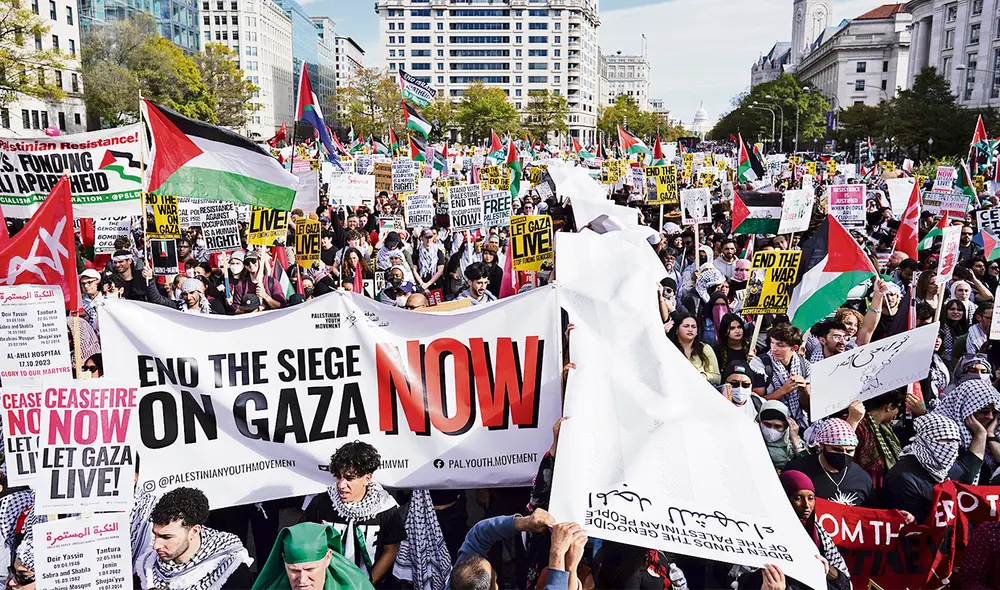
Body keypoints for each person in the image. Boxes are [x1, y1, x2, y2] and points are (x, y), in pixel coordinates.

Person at [299, 441, 406, 586]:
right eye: (338, 476)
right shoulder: (322, 503)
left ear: (367, 478)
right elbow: (302, 538)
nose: (341, 485)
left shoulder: (385, 507)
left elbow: (391, 549)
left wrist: (367, 584)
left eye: (349, 478)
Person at [135, 486, 253, 590]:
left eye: (166, 537)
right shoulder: (147, 568)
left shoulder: (231, 571)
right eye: (155, 535)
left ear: (194, 531)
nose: (156, 545)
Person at [448, 508, 586, 590]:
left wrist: (523, 523)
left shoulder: (459, 583)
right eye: (495, 579)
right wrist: (559, 556)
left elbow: (478, 535)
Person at [884, 413, 986, 522]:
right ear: (925, 440)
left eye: (954, 441)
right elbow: (914, 523)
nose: (950, 446)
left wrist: (982, 434)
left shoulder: (943, 468)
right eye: (944, 440)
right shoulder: (902, 477)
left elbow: (970, 465)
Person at [775, 471, 851, 589]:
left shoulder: (818, 531)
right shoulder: (769, 531)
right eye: (798, 498)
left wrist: (826, 570)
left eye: (811, 498)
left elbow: (847, 583)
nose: (806, 505)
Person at [251, 522, 374, 590]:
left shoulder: (357, 586)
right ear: (283, 559)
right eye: (294, 570)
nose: (302, 580)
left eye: (310, 569)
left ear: (327, 558)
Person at [785, 418, 875, 507]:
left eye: (850, 451)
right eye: (837, 449)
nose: (844, 455)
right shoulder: (798, 470)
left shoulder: (862, 478)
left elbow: (870, 514)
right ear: (821, 445)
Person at [749, 324, 811, 428]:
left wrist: (803, 389)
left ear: (794, 348)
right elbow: (757, 401)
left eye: (780, 345)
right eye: (772, 342)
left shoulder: (804, 365)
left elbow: (808, 406)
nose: (774, 348)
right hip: (771, 423)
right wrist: (783, 390)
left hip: (800, 422)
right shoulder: (759, 364)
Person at [852, 389, 906, 491]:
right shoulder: (858, 425)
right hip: (864, 488)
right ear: (889, 407)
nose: (897, 413)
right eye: (898, 408)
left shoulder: (885, 427)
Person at [668, 310, 720, 384]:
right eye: (686, 326)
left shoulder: (705, 348)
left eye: (693, 327)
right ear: (677, 329)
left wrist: (703, 376)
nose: (690, 330)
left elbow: (717, 378)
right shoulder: (669, 347)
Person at [756, 400, 806, 470]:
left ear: (786, 427)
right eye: (767, 424)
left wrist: (795, 441)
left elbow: (806, 466)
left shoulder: (791, 437)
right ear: (760, 421)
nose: (771, 430)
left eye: (778, 426)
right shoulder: (753, 438)